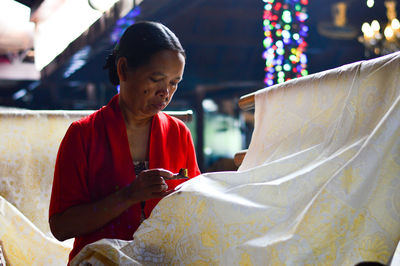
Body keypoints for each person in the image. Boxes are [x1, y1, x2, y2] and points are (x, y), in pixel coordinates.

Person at [48, 21, 201, 263]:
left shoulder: (178, 134)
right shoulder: (83, 135)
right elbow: (61, 226)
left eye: (174, 83)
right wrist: (128, 195)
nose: (165, 92)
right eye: (156, 79)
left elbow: (194, 208)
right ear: (124, 69)